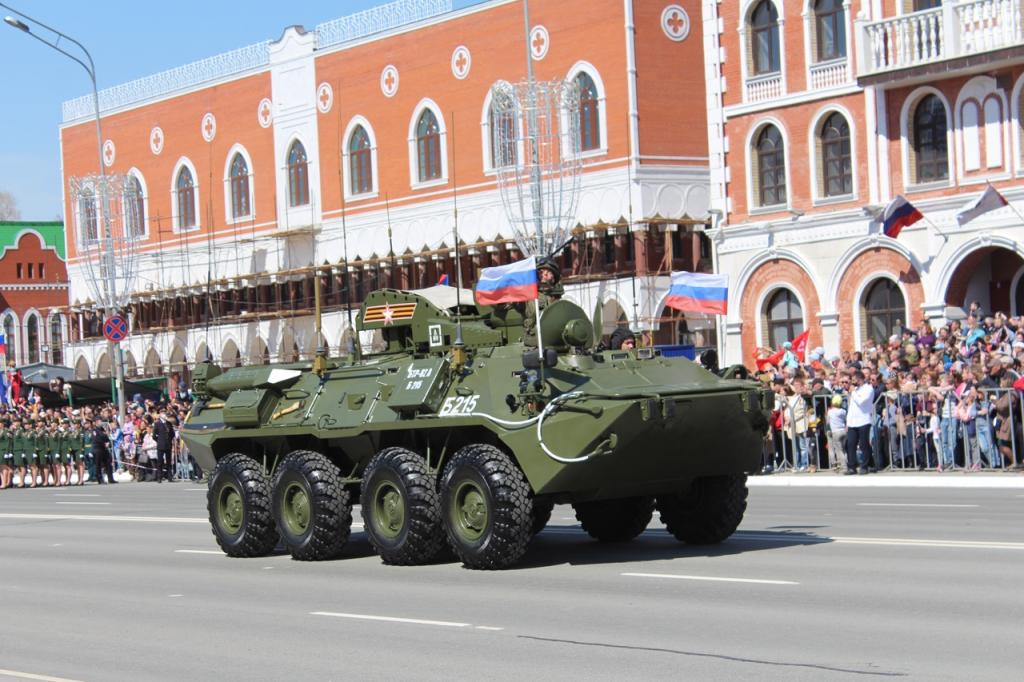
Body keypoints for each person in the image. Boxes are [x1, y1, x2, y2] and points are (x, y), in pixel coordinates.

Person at [522, 257, 563, 347]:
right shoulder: (529, 295)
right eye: (541, 271)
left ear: (554, 277)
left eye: (549, 272)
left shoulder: (558, 300)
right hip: (535, 342)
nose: (545, 274)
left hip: (556, 341)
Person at [845, 370, 874, 474]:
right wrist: (848, 422)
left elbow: (861, 401)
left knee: (863, 444)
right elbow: (851, 407)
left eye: (854, 380)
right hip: (853, 421)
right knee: (850, 444)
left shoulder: (868, 389)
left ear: (859, 379)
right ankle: (851, 467)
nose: (852, 382)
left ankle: (865, 466)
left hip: (863, 420)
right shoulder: (855, 390)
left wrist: (853, 392)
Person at [826, 395, 847, 471]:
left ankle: (844, 466)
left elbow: (828, 422)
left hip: (835, 431)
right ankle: (844, 464)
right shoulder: (843, 411)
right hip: (843, 430)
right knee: (843, 449)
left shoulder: (830, 412)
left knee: (838, 450)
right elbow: (845, 420)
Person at [92, 419, 115, 485]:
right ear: (96, 423)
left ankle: (110, 479)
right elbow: (97, 439)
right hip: (98, 448)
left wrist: (108, 442)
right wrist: (104, 443)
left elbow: (107, 438)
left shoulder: (103, 429)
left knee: (108, 462)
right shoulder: (95, 430)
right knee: (98, 465)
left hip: (104, 449)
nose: (101, 423)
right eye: (99, 422)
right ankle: (100, 479)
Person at [153, 412, 174, 483]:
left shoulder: (169, 423)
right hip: (160, 445)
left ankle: (170, 477)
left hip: (168, 445)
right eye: (164, 415)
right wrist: (159, 441)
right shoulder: (157, 424)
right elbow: (154, 435)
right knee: (160, 462)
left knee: (169, 462)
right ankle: (159, 477)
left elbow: (172, 434)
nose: (165, 416)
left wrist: (169, 440)